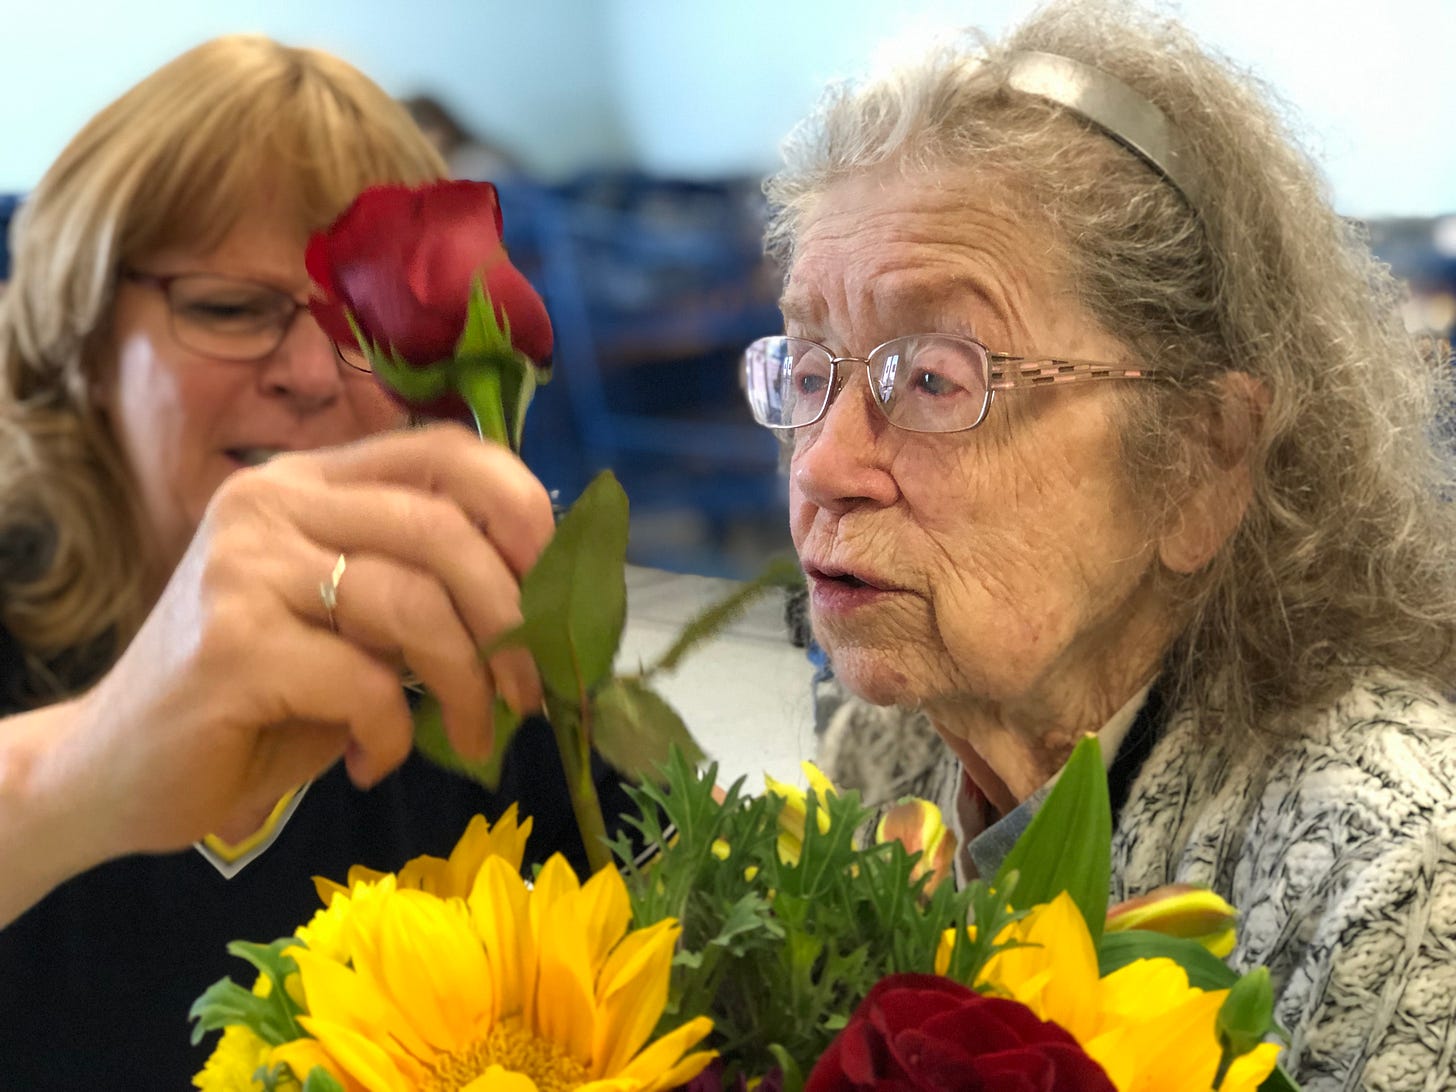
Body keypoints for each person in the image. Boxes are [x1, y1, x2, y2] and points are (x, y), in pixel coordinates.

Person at [741, 3, 1456, 1088]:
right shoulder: (883, 755)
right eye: (808, 371)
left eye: (934, 378)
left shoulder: (1397, 872)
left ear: (1200, 461)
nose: (822, 466)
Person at [0, 36, 634, 1087]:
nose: (307, 370)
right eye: (228, 308)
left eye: (361, 321)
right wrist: (80, 771)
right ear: (84, 345)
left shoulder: (484, 652)